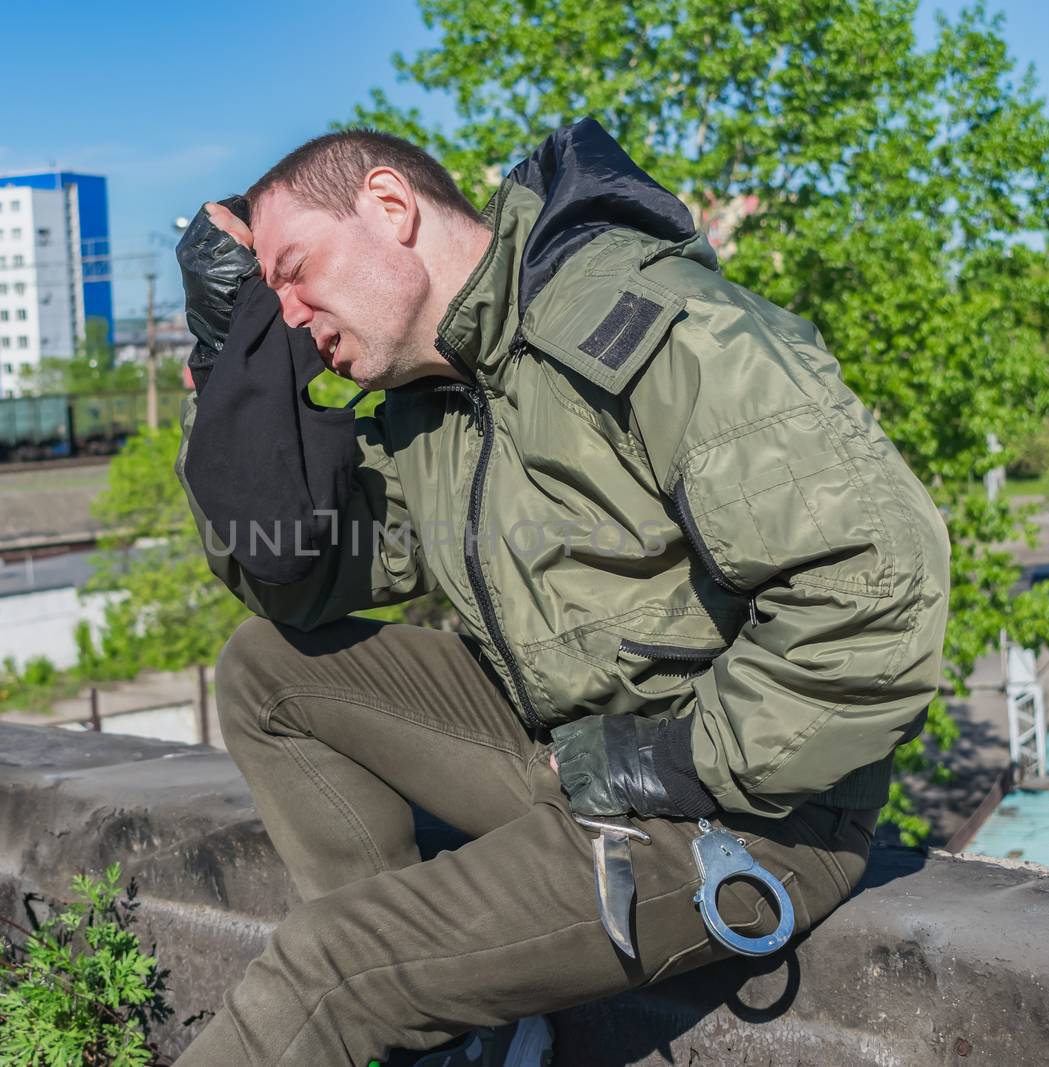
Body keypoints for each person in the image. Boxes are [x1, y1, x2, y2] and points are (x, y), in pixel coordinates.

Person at [170, 119, 950, 1067]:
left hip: (743, 809)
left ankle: (377, 990)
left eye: (293, 271)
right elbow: (292, 569)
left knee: (328, 968)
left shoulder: (650, 327)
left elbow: (878, 583)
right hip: (571, 752)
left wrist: (683, 760)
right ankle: (449, 1027)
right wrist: (224, 354)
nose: (287, 314)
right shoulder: (441, 405)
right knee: (268, 671)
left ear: (390, 205)